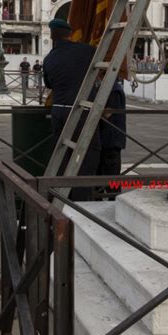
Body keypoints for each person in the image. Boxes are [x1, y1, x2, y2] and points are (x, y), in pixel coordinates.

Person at [43, 18, 100, 201]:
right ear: (70, 33)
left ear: (52, 36)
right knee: (85, 156)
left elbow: (49, 84)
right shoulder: (86, 50)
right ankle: (81, 201)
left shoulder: (49, 58)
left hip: (58, 111)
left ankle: (59, 196)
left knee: (60, 157)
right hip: (80, 111)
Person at [98, 79, 127, 197]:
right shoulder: (111, 88)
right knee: (101, 173)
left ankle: (113, 200)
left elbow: (107, 113)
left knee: (111, 175)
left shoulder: (113, 90)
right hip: (106, 138)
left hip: (111, 139)